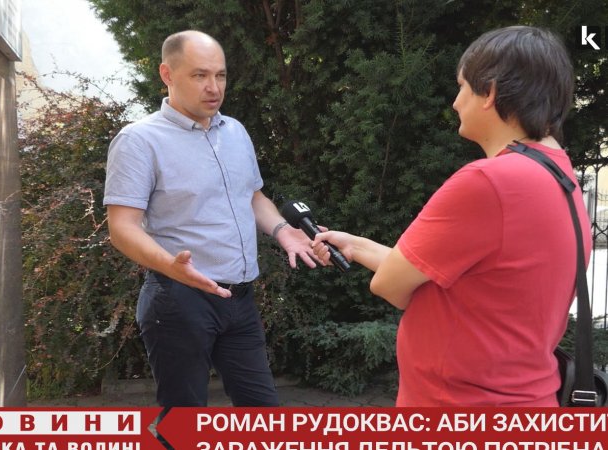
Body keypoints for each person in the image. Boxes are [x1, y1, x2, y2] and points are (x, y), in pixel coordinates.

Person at [312, 25, 591, 406]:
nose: (457, 102)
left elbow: (391, 286)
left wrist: (381, 265)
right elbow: (450, 279)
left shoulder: (490, 182)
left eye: (462, 87)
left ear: (489, 92)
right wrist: (356, 246)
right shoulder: (560, 177)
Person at [103, 30, 318, 413]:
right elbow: (121, 227)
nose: (213, 87)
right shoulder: (139, 140)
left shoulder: (235, 131)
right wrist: (171, 266)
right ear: (167, 74)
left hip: (239, 300)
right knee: (183, 421)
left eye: (220, 75)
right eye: (199, 75)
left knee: (263, 412)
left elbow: (253, 196)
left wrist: (284, 232)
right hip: (179, 300)